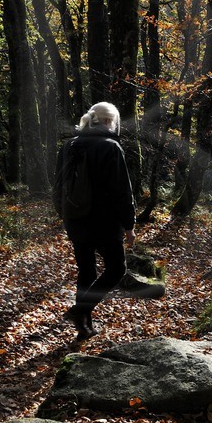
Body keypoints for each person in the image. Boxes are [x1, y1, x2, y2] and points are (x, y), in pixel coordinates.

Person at [54, 101, 136, 339]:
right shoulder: (110, 147)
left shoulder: (69, 145)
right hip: (104, 221)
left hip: (75, 219)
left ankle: (83, 327)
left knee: (86, 271)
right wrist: (129, 226)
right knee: (116, 269)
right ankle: (81, 311)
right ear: (111, 121)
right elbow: (122, 191)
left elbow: (58, 185)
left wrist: (64, 214)